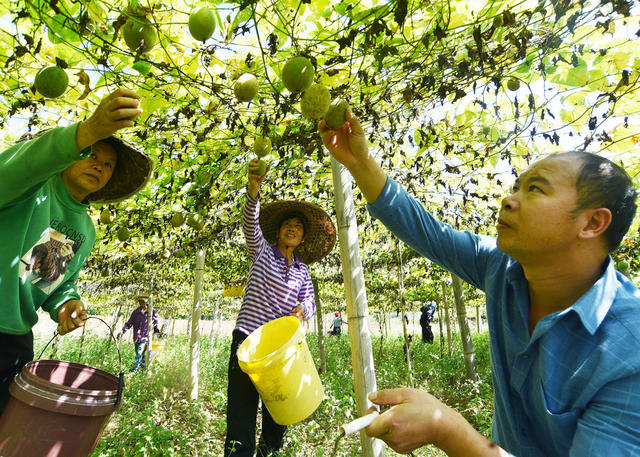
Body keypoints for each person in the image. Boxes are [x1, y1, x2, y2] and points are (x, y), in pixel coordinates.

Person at [320, 111, 640, 456]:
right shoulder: (502, 268)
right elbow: (426, 231)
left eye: (535, 189)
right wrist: (359, 161)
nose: (509, 198)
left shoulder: (629, 353)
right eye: (516, 185)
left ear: (592, 222)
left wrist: (445, 427)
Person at [0, 88, 152, 414]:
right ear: (71, 154)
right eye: (91, 154)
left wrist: (65, 302)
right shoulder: (33, 184)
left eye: (108, 164)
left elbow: (42, 273)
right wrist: (89, 131)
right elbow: (27, 163)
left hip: (13, 339)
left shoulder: (83, 229)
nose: (99, 165)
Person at [224, 159, 336, 457]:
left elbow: (309, 300)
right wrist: (254, 189)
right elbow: (249, 223)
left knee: (278, 415)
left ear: (302, 238)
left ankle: (268, 453)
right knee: (241, 416)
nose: (292, 229)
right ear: (279, 232)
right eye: (288, 225)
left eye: (298, 227)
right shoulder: (261, 252)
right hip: (248, 341)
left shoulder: (302, 272)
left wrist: (302, 310)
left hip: (281, 350)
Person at [118, 293, 161, 372]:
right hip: (137, 337)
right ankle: (144, 369)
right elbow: (129, 323)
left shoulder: (151, 311)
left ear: (146, 302)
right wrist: (122, 331)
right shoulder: (136, 312)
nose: (140, 303)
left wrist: (155, 328)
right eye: (139, 301)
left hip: (145, 337)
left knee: (139, 353)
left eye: (142, 301)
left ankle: (135, 371)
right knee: (141, 355)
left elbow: (155, 321)